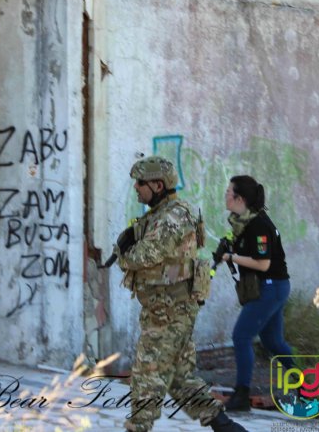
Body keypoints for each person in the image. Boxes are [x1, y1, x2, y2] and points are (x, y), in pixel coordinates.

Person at [116, 156, 247, 432]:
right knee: (178, 378)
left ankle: (137, 426)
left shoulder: (173, 216)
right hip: (167, 307)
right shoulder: (161, 213)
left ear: (158, 185)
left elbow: (145, 255)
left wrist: (123, 252)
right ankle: (225, 426)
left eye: (140, 183)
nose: (136, 187)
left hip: (169, 310)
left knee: (147, 372)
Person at [219, 175, 295, 411]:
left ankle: (242, 394)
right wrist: (229, 248)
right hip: (270, 287)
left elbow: (262, 263)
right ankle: (305, 388)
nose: (225, 195)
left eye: (228, 191)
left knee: (241, 337)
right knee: (273, 342)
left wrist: (231, 257)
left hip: (270, 287)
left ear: (239, 198)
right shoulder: (243, 223)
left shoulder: (259, 225)